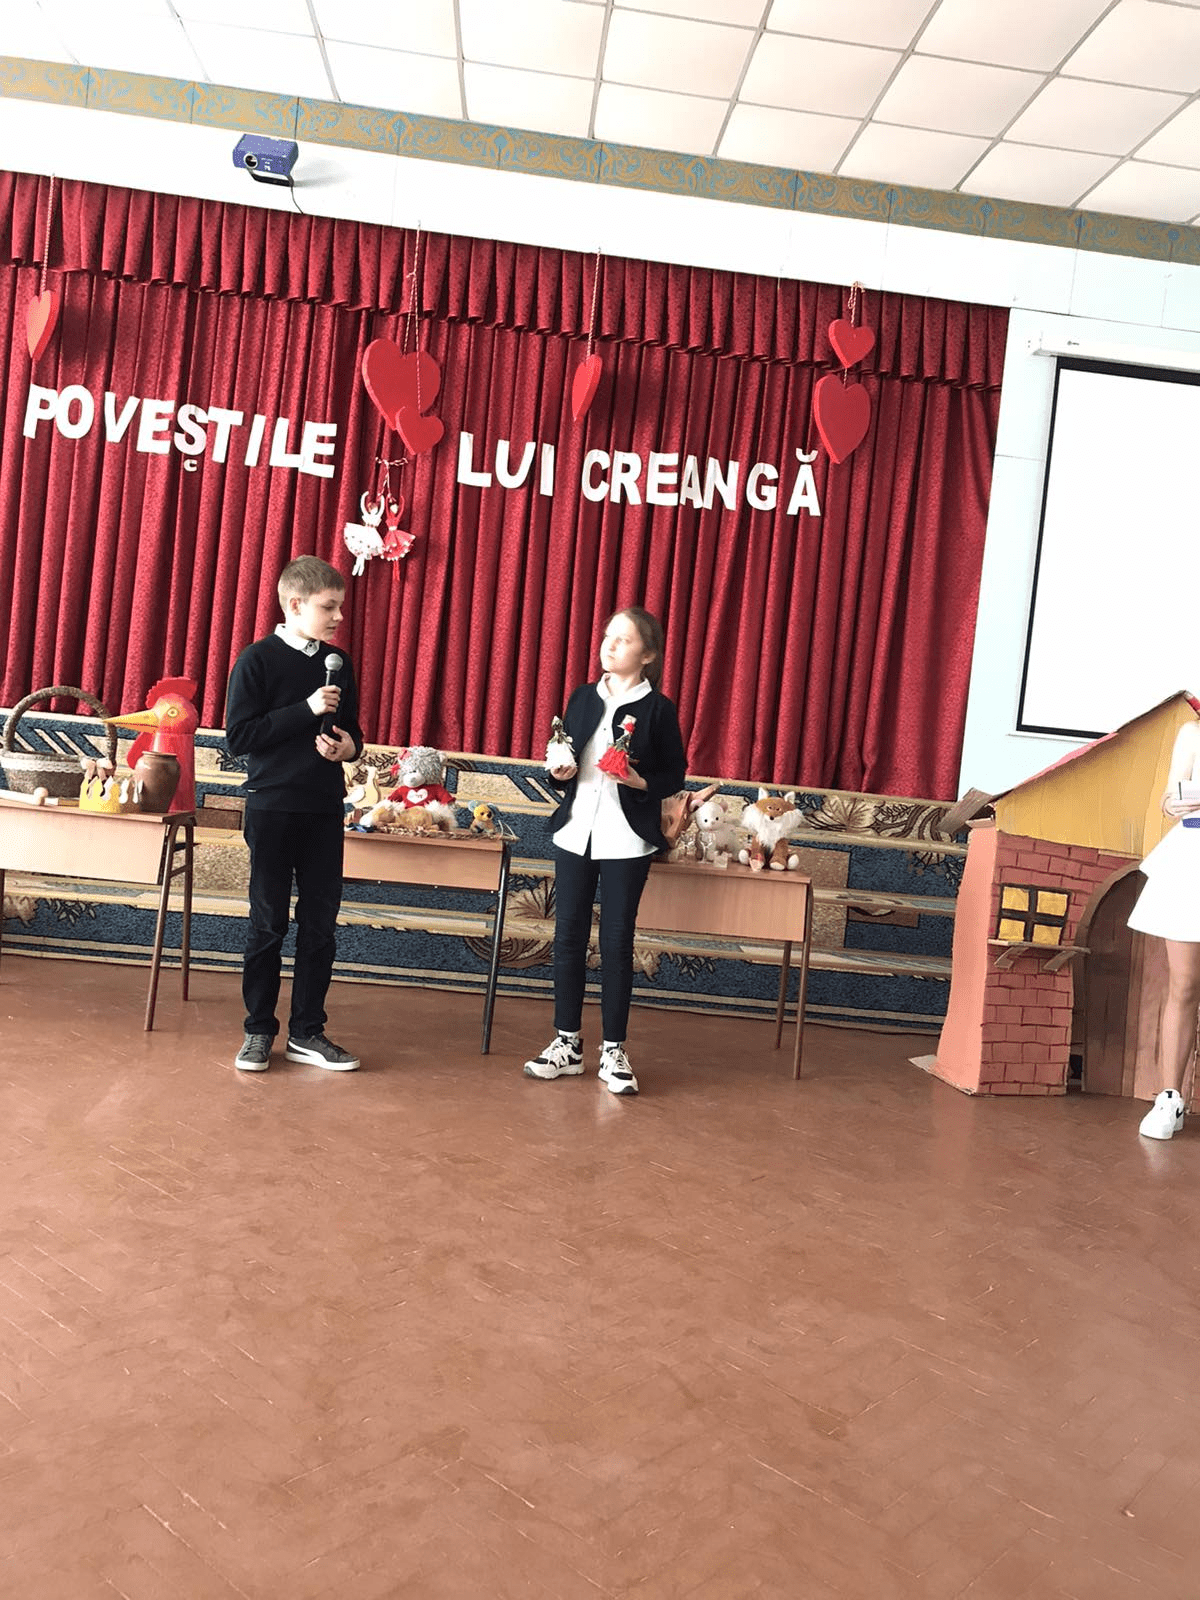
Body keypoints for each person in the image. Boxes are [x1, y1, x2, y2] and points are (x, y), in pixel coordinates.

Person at [524, 606, 686, 1097]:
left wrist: (638, 781)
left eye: (623, 640)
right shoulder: (581, 697)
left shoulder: (658, 709)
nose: (609, 646)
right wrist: (560, 773)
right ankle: (567, 1043)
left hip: (626, 838)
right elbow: (564, 756)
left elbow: (672, 776)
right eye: (608, 636)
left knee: (617, 941)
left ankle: (614, 1050)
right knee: (568, 936)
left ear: (648, 654)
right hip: (576, 831)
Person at [225, 555, 365, 1073]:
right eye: (329, 607)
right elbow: (240, 737)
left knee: (320, 925)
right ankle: (258, 1030)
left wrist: (348, 748)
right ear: (295, 604)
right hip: (272, 806)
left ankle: (308, 1032)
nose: (338, 617)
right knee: (267, 923)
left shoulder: (339, 663)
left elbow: (354, 732)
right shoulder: (256, 660)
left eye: (340, 607)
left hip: (324, 807)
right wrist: (306, 709)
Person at [1128, 717, 1200, 1138]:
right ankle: (1170, 1098)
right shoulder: (1193, 732)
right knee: (1184, 983)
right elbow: (1170, 799)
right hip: (1192, 860)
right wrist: (1174, 803)